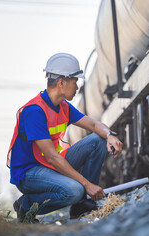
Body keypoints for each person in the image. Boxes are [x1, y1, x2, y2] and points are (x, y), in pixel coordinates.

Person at [7, 53, 123, 222]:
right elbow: (52, 157)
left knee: (97, 141)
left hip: (49, 165)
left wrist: (110, 135)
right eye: (75, 82)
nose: (77, 87)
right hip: (29, 172)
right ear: (62, 82)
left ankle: (83, 205)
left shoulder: (63, 107)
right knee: (75, 190)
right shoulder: (34, 112)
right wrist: (86, 184)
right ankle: (26, 205)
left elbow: (93, 125)